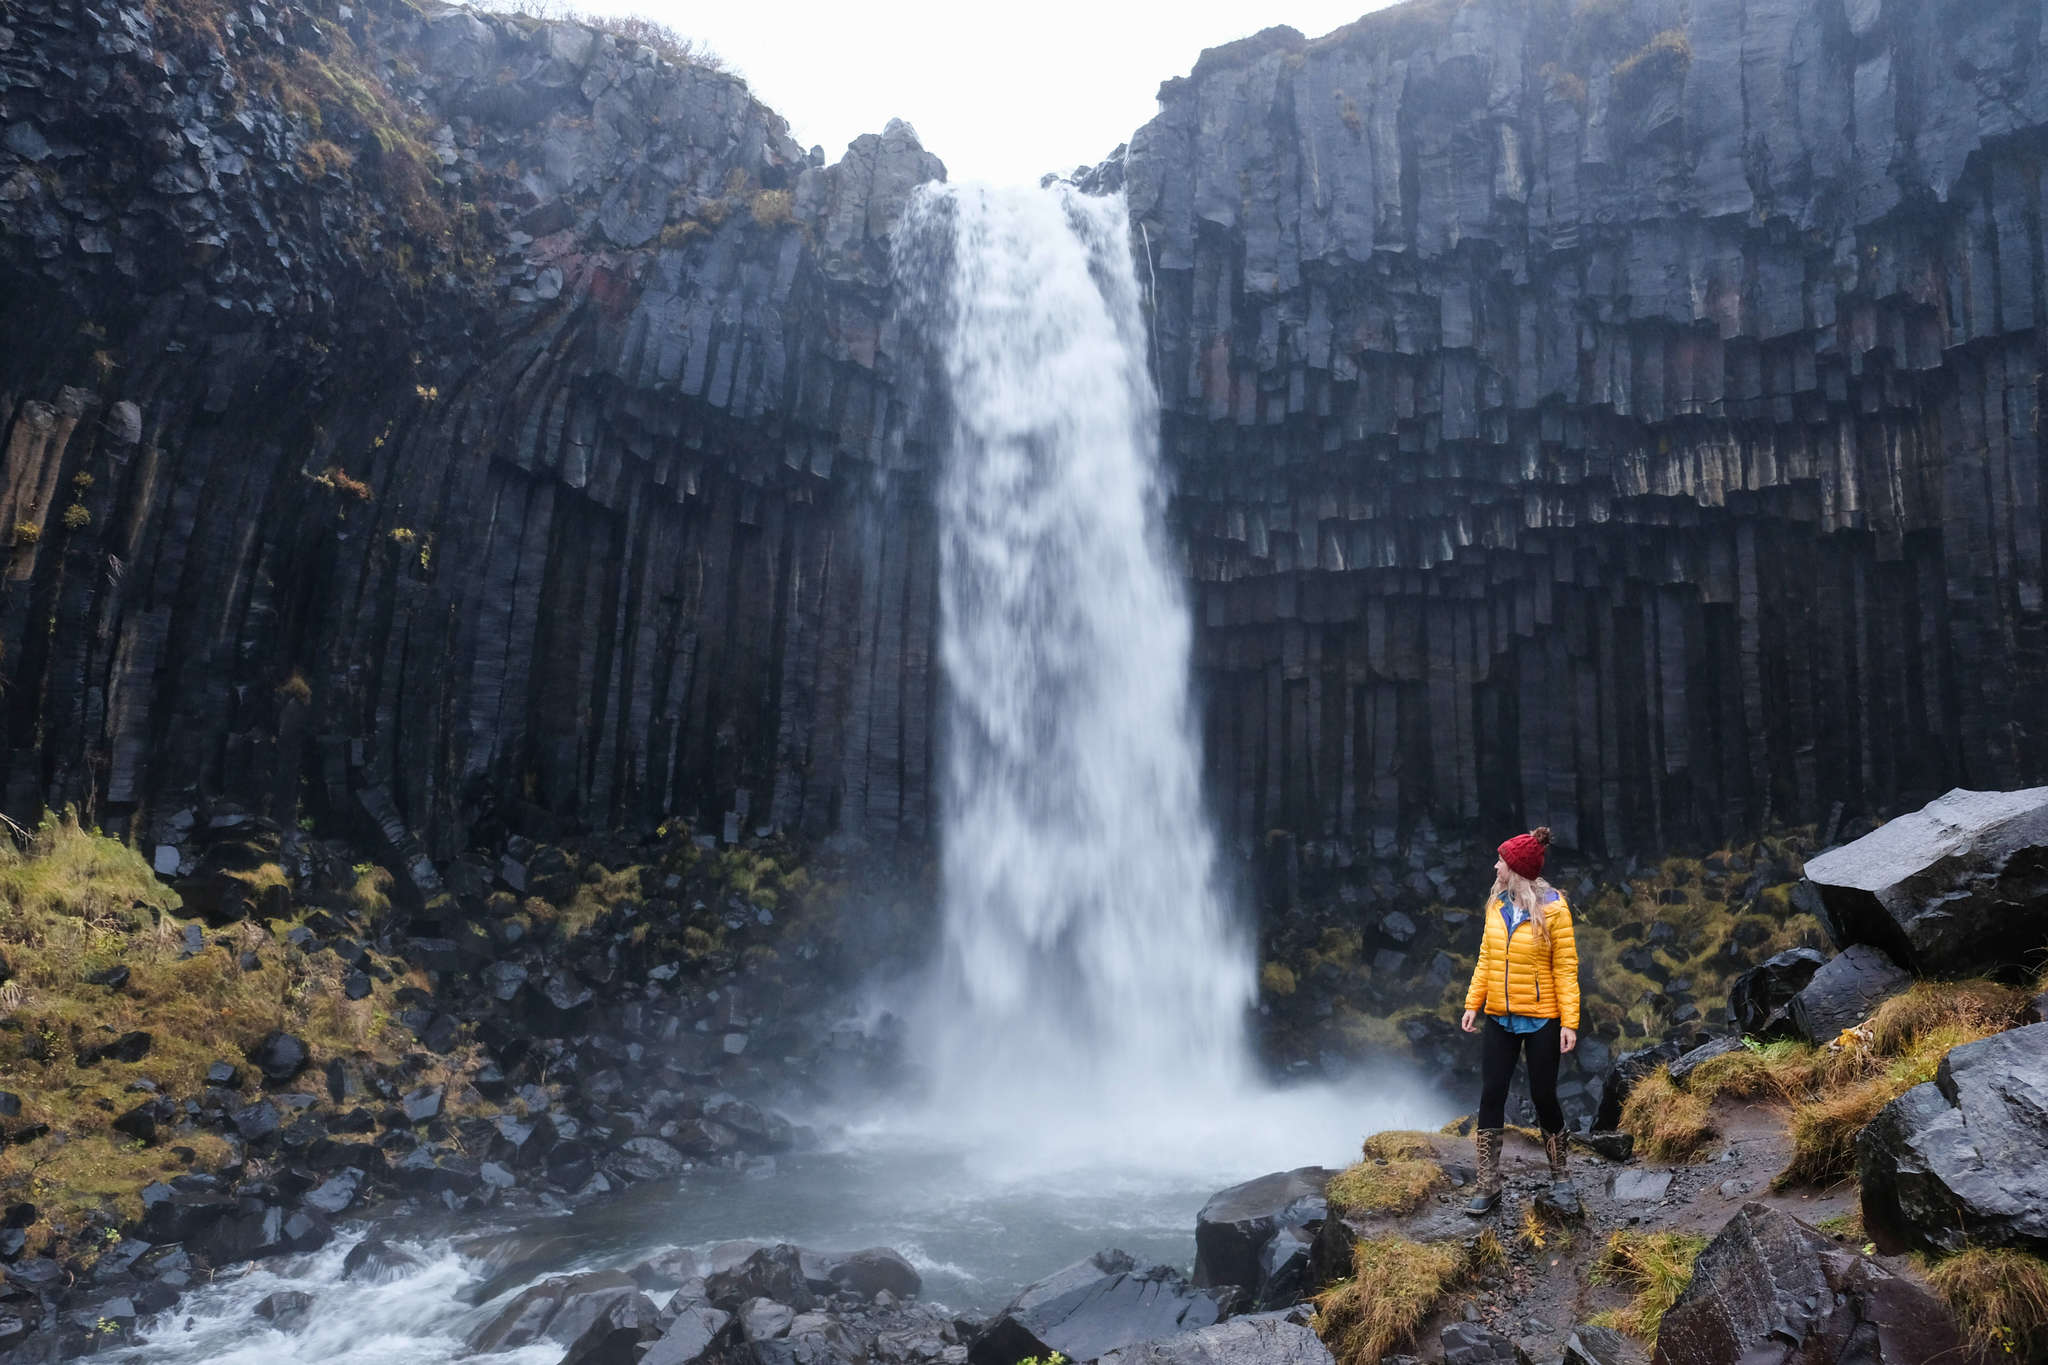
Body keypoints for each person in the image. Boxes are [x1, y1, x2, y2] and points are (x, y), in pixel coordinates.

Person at [1458, 826, 1581, 1216]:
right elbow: (1486, 958)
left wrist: (1569, 1022)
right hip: (1499, 1015)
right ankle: (1488, 1184)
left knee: (1544, 1096)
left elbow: (1565, 968)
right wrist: (1473, 1002)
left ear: (1517, 869)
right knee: (1491, 1092)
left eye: (1502, 861)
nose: (1496, 866)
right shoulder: (1496, 905)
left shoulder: (1555, 909)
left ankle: (1561, 1176)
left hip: (1542, 1018)